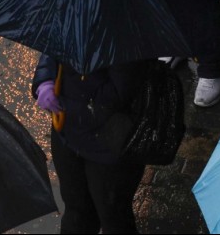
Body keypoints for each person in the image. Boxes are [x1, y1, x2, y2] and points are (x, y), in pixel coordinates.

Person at [32, 54, 150, 234]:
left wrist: (68, 106)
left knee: (114, 217)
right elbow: (53, 48)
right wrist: (44, 79)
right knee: (76, 211)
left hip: (111, 147)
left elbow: (121, 93)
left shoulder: (126, 36)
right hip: (69, 137)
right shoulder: (71, 24)